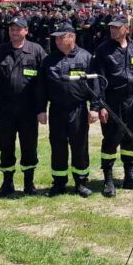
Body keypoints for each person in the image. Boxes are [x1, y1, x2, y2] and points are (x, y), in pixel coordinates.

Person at [40, 22, 103, 197]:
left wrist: (95, 108)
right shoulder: (49, 59)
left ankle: (81, 181)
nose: (58, 41)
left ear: (72, 37)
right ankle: (59, 182)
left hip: (78, 109)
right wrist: (41, 109)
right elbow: (42, 87)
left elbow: (94, 85)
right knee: (58, 145)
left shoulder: (86, 58)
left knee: (79, 146)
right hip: (57, 110)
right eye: (56, 38)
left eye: (62, 37)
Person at [92, 15, 133, 197]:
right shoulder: (103, 50)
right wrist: (100, 106)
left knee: (131, 138)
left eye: (117, 27)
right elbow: (98, 81)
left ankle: (129, 176)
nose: (113, 30)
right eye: (111, 27)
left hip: (132, 100)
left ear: (127, 29)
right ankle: (108, 178)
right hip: (112, 101)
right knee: (111, 138)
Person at [0, 18, 48, 196]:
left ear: (26, 31)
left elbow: (43, 83)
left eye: (18, 29)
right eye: (11, 30)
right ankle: (7, 183)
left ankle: (29, 183)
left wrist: (41, 109)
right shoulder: (1, 51)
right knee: (5, 145)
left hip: (28, 108)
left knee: (29, 145)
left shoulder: (36, 51)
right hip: (7, 108)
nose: (14, 32)